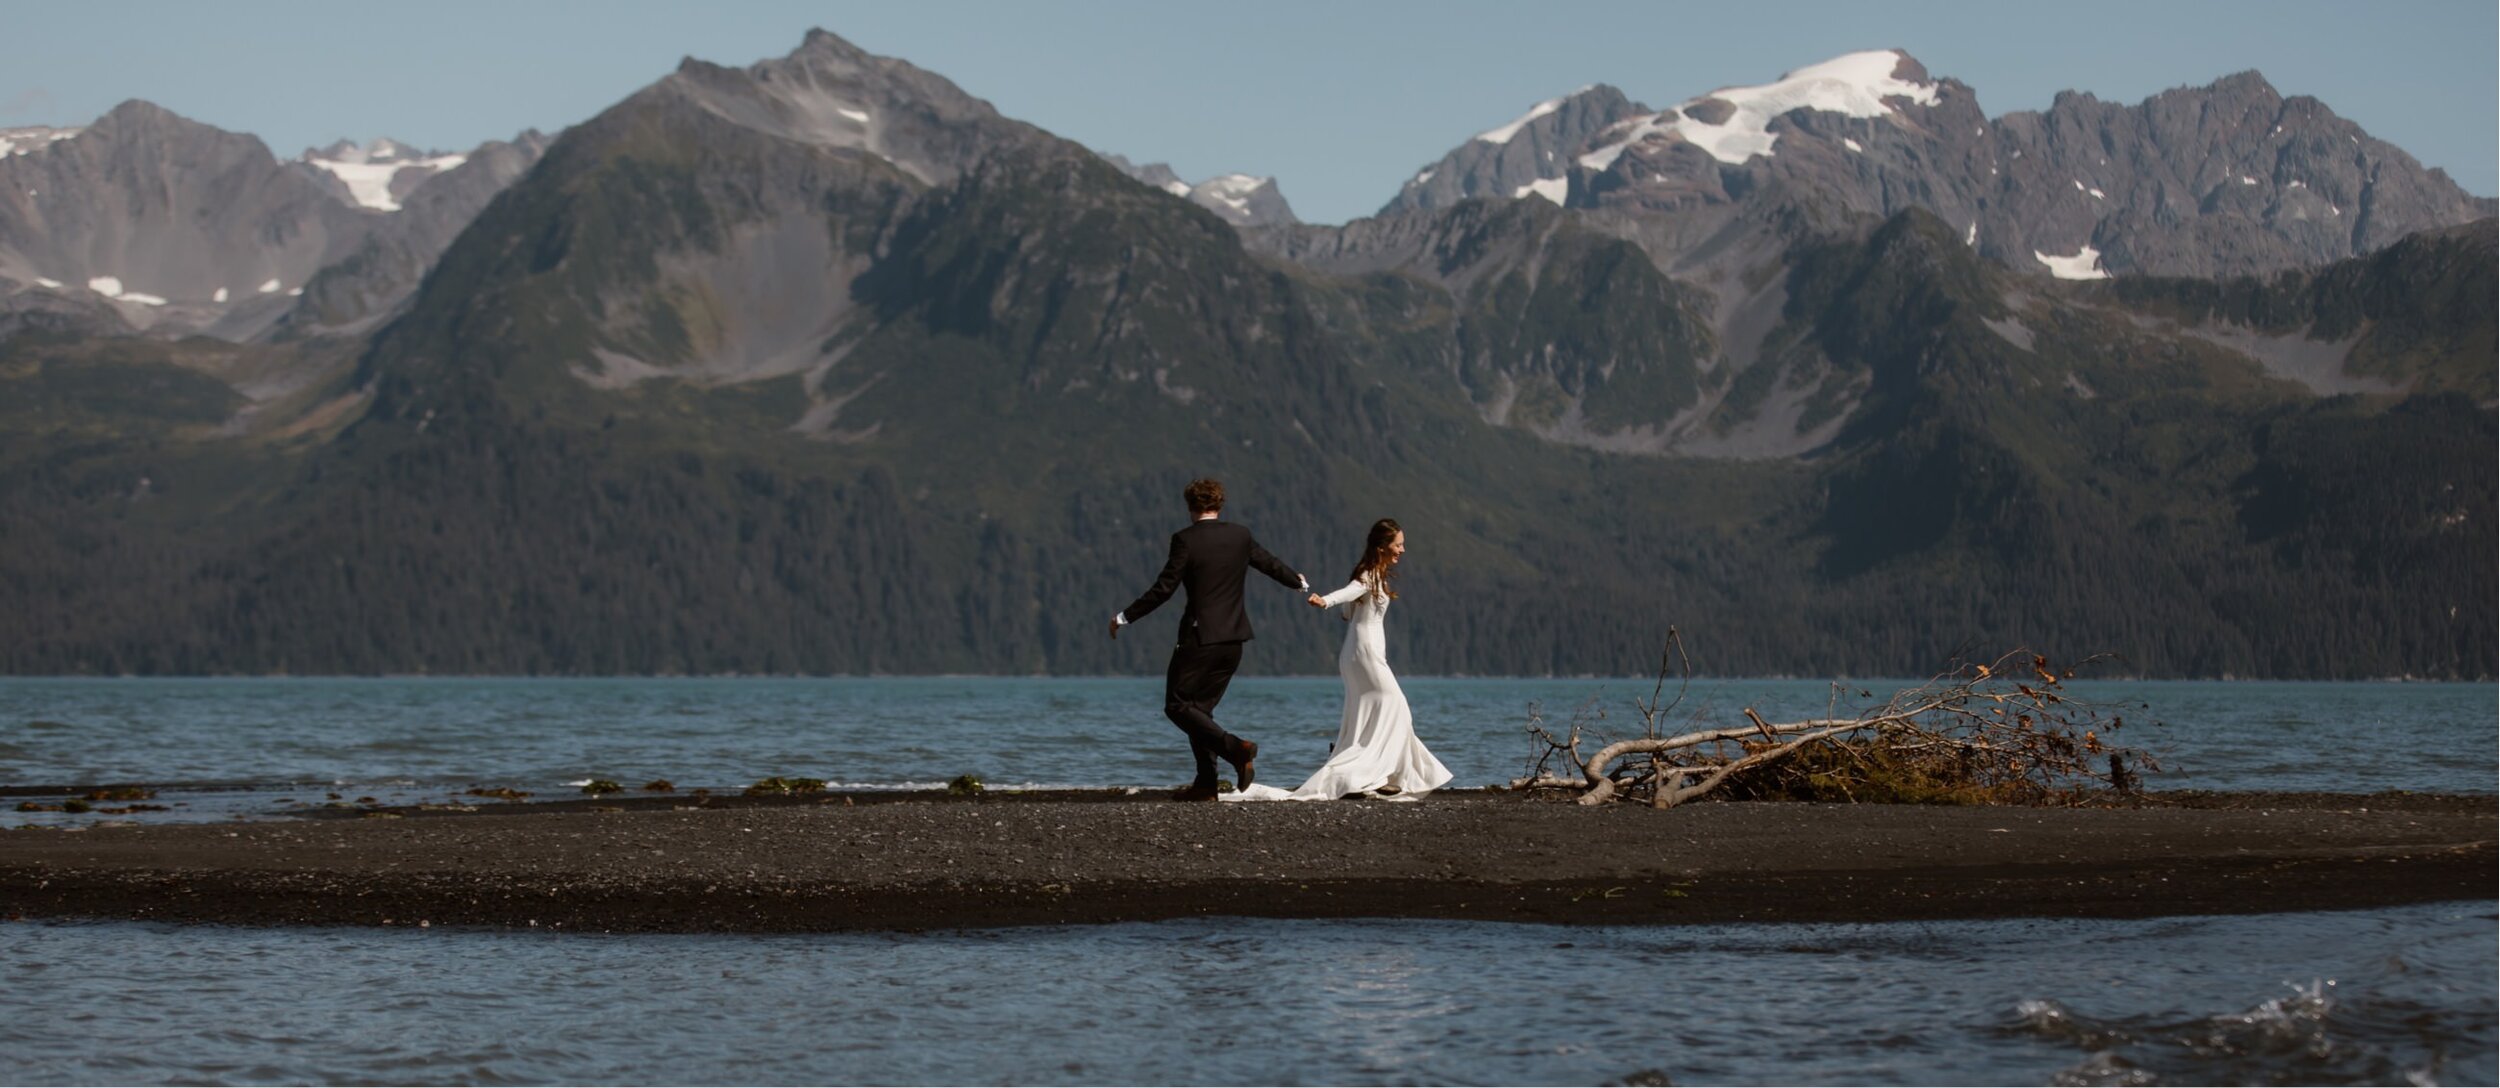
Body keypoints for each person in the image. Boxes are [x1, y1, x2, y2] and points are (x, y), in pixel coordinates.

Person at [1111, 478, 1310, 801]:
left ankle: (1237, 749)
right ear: (1220, 504)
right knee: (1200, 711)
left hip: (1199, 638)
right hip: (1234, 641)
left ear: (1190, 506)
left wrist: (1124, 616)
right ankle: (1206, 784)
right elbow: (1269, 564)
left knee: (1177, 705)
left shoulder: (1185, 540)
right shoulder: (1240, 535)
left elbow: (1164, 588)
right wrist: (1297, 582)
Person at [1227, 518, 1451, 802]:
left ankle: (1387, 776)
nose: (1402, 550)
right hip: (1364, 653)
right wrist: (1326, 601)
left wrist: (1342, 604)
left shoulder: (1375, 573)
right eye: (1398, 545)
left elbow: (1350, 611)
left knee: (1369, 713)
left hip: (1361, 652)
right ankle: (1377, 774)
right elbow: (1350, 593)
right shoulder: (1369, 574)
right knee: (1397, 707)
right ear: (1382, 547)